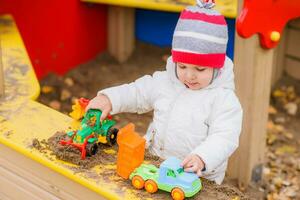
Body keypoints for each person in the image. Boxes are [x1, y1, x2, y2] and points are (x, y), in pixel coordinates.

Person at [86, 0, 243, 184]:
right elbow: (137, 93)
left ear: (217, 68)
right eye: (182, 66)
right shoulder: (165, 82)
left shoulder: (223, 100)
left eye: (200, 70)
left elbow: (225, 136)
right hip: (155, 162)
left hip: (196, 176)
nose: (189, 76)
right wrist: (110, 99)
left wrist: (203, 157)